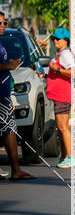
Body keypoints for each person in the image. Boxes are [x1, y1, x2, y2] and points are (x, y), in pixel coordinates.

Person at [0, 13, 36, 180]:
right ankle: (16, 170)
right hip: (1, 96)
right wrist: (9, 66)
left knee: (9, 130)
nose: (2, 26)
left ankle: (16, 170)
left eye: (4, 23)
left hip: (4, 93)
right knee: (10, 130)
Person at [46, 27, 75, 168]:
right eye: (54, 39)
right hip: (60, 95)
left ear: (65, 41)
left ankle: (70, 157)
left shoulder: (65, 55)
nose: (55, 41)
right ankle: (64, 157)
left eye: (58, 39)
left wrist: (56, 69)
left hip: (63, 95)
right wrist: (47, 75)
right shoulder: (61, 54)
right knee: (61, 127)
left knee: (62, 127)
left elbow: (73, 72)